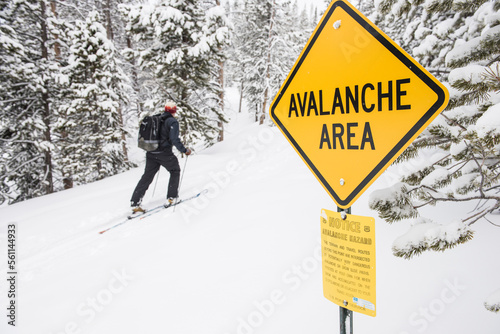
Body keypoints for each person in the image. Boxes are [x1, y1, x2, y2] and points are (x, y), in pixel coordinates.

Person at [130, 101, 191, 214]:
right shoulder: (172, 121)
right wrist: (184, 150)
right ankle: (172, 198)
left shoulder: (157, 118)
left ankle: (135, 202)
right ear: (174, 110)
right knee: (175, 170)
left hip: (151, 152)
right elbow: (174, 139)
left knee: (147, 176)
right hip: (164, 153)